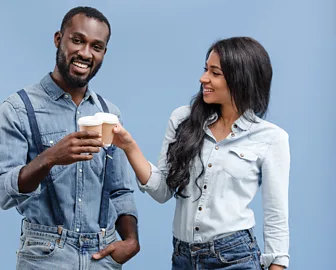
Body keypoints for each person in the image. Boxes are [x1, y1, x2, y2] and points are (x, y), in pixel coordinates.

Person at [111, 37, 290, 269]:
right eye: (206, 69)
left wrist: (277, 265)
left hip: (235, 257)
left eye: (215, 73)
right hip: (183, 257)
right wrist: (129, 146)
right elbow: (162, 190)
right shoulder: (182, 119)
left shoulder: (271, 138)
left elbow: (276, 216)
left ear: (241, 79)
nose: (203, 78)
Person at [0, 6, 139, 270]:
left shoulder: (109, 113)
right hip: (45, 254)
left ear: (104, 53)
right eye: (77, 40)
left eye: (96, 46)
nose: (85, 53)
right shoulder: (18, 109)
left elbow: (120, 190)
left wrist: (130, 239)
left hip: (101, 255)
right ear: (59, 39)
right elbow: (2, 192)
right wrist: (49, 158)